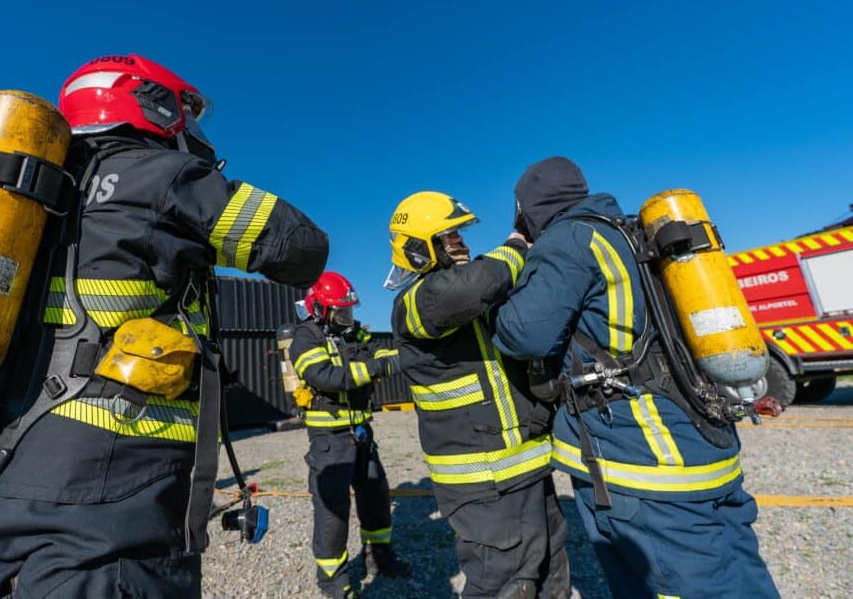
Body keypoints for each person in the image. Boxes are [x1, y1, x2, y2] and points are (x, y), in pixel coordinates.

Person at [0, 54, 329, 598]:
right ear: (153, 106)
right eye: (186, 112)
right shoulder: (161, 175)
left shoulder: (20, 198)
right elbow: (301, 250)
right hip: (100, 502)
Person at [492, 156, 779, 598]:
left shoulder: (568, 239)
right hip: (704, 444)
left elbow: (524, 335)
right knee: (742, 576)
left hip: (644, 464)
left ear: (529, 210)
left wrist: (505, 286)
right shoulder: (634, 233)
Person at [386, 191, 569, 599]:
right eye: (450, 236)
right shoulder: (417, 303)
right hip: (483, 482)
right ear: (419, 248)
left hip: (525, 467)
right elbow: (479, 284)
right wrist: (517, 245)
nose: (461, 242)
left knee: (550, 568)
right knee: (503, 583)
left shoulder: (464, 304)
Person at [288, 271, 411, 599]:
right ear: (320, 309)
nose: (347, 317)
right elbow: (325, 376)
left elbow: (376, 352)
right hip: (330, 437)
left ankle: (380, 557)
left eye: (349, 310)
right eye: (340, 311)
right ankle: (332, 580)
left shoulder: (353, 332)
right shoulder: (305, 338)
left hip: (361, 432)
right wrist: (374, 369)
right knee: (333, 508)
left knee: (376, 494)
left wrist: (400, 358)